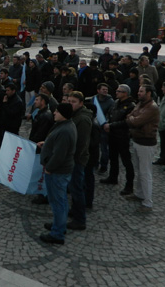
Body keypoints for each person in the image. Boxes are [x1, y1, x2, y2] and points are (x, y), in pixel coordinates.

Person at [38, 102, 77, 245]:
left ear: (64, 114)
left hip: (57, 171)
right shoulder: (64, 126)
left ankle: (57, 233)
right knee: (60, 201)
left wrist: (49, 168)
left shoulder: (65, 130)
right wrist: (46, 143)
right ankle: (59, 225)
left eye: (57, 112)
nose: (54, 113)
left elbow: (60, 155)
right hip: (59, 170)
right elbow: (57, 144)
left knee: (57, 202)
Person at [125, 85, 160, 212]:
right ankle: (139, 194)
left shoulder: (152, 107)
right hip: (137, 140)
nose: (138, 93)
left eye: (141, 91)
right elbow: (130, 116)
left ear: (149, 93)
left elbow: (135, 121)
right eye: (138, 91)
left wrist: (131, 119)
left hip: (146, 143)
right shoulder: (141, 104)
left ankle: (147, 202)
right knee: (139, 170)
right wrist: (132, 118)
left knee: (145, 173)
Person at [101, 85, 135, 195]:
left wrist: (111, 125)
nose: (116, 92)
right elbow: (110, 114)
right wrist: (107, 123)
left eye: (119, 91)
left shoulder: (130, 106)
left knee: (126, 161)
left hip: (122, 136)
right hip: (113, 134)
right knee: (113, 157)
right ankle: (112, 177)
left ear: (125, 93)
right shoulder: (116, 102)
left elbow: (127, 122)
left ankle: (129, 185)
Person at [67, 91, 92, 230]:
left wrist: (73, 158)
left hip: (77, 159)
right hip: (74, 158)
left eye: (73, 102)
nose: (70, 104)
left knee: (77, 188)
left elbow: (81, 143)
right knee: (74, 187)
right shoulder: (76, 115)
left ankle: (80, 219)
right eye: (69, 101)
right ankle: (75, 210)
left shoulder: (82, 119)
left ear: (81, 103)